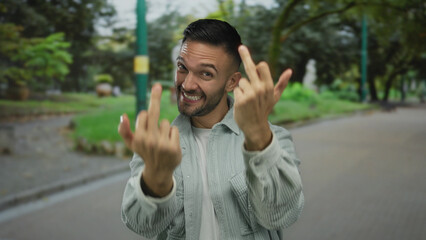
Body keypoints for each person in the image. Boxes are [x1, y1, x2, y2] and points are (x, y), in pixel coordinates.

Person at [118, 19, 304, 239]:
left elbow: (280, 216)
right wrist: (156, 182)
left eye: (205, 74)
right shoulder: (158, 147)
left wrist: (258, 138)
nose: (187, 84)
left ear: (232, 82)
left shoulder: (273, 140)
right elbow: (141, 226)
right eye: (182, 67)